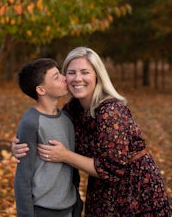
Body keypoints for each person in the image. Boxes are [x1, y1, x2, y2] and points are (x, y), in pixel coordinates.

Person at [12, 47, 172, 216]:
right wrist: (21, 144)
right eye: (71, 72)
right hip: (101, 191)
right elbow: (46, 129)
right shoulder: (73, 109)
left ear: (97, 75)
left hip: (134, 190)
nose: (77, 78)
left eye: (85, 72)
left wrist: (65, 155)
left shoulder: (111, 112)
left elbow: (112, 169)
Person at [14, 58, 81, 217]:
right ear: (41, 90)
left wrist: (77, 204)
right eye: (56, 77)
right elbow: (23, 177)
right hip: (41, 211)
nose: (65, 78)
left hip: (68, 209)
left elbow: (72, 169)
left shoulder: (67, 119)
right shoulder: (31, 123)